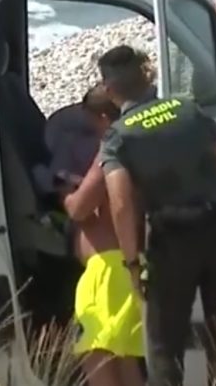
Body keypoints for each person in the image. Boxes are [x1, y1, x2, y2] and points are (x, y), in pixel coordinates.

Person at [95, 45, 216, 386]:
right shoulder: (189, 109)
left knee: (164, 346)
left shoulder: (118, 136)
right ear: (146, 77)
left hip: (172, 242)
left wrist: (132, 263)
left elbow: (121, 203)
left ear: (110, 89)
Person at [61, 84, 145, 386]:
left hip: (107, 273)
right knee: (125, 359)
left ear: (103, 118)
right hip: (130, 264)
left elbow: (80, 207)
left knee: (96, 355)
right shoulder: (141, 145)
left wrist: (66, 193)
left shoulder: (112, 148)